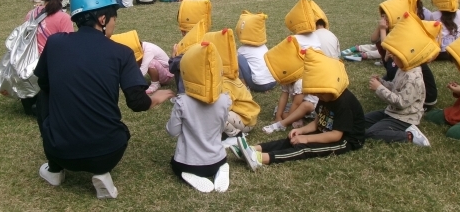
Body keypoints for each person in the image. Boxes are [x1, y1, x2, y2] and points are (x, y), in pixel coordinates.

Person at [34, 0, 174, 198]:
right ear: (102, 18)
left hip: (59, 150)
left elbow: (43, 82)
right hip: (108, 153)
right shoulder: (122, 52)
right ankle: (101, 173)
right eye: (113, 19)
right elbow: (137, 103)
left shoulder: (55, 43)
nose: (114, 24)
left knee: (44, 93)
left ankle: (54, 170)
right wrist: (155, 98)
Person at [235, 49, 364, 170]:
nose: (319, 97)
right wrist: (301, 131)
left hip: (346, 141)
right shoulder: (325, 97)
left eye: (320, 94)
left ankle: (260, 159)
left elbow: (336, 135)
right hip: (326, 132)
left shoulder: (344, 102)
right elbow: (317, 123)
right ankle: (254, 149)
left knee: (305, 149)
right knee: (291, 140)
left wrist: (307, 139)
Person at [166, 42, 231, 193]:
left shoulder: (182, 102)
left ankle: (186, 174)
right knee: (219, 161)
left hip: (187, 162)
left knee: (175, 166)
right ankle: (222, 168)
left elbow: (172, 131)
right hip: (217, 159)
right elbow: (222, 126)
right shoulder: (225, 100)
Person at [365, 13, 435, 146]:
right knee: (361, 121)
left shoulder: (414, 78)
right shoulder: (403, 69)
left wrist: (379, 89)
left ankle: (409, 135)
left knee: (371, 133)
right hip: (392, 112)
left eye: (395, 56)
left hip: (404, 117)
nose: (393, 60)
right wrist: (383, 83)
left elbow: (401, 102)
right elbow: (396, 87)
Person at [19, 0, 74, 116]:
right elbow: (68, 47)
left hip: (30, 64)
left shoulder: (31, 14)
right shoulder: (64, 18)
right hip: (52, 67)